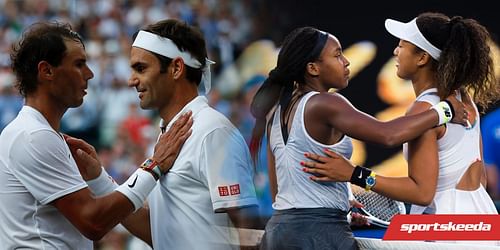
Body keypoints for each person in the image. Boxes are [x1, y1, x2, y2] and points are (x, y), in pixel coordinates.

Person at [249, 25, 468, 249]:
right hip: (320, 234)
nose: (346, 61)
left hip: (278, 233)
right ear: (313, 68)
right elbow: (388, 135)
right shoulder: (326, 103)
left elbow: (283, 193)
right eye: (337, 55)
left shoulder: (275, 114)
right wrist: (444, 111)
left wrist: (340, 208)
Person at [302, 12, 500, 245]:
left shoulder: (424, 110)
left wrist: (354, 174)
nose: (396, 51)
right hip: (483, 223)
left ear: (422, 58)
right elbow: (482, 178)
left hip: (444, 231)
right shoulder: (465, 101)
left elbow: (421, 193)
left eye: (401, 45)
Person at [69, 19, 260, 249]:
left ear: (176, 69)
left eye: (141, 68)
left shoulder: (213, 131)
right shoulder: (169, 135)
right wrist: (99, 178)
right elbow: (158, 232)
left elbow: (248, 229)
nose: (131, 81)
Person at [0, 21, 193, 249]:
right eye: (79, 64)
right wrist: (154, 165)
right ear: (47, 71)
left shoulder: (37, 133)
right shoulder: (32, 136)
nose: (90, 74)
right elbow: (93, 222)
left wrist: (99, 178)